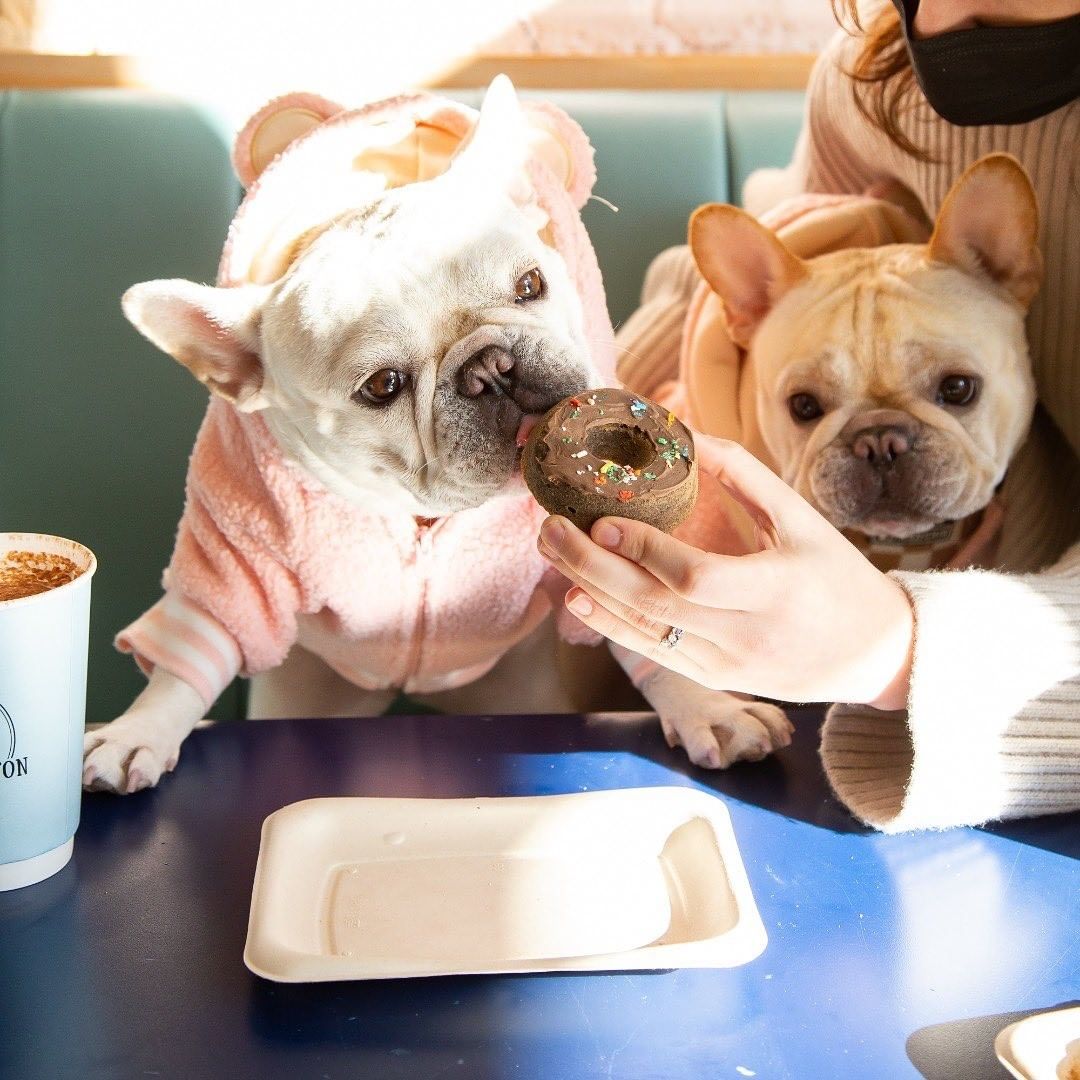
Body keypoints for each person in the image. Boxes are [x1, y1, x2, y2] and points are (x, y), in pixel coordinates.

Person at [538, 0, 1080, 832]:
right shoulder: (879, 76)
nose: (934, 21)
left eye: (953, 391)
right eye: (810, 405)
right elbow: (784, 248)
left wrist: (896, 649)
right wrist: (587, 401)